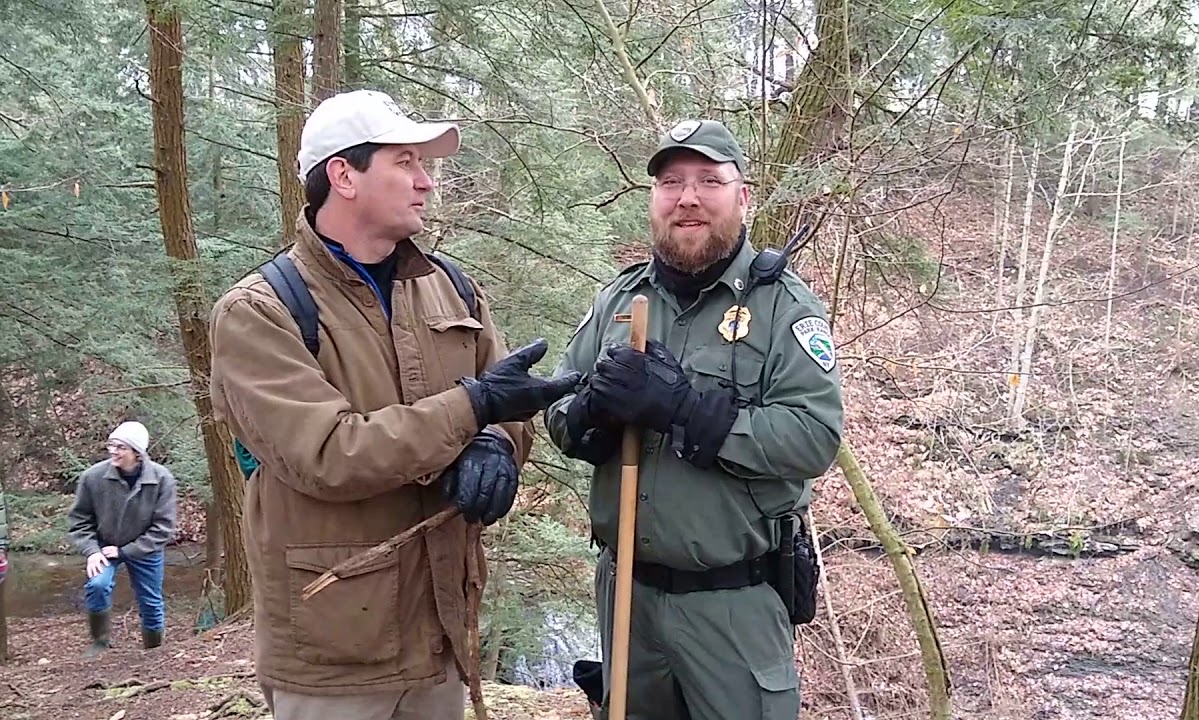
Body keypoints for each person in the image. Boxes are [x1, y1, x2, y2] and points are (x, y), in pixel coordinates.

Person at [207, 89, 581, 720]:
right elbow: (327, 454)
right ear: (342, 175)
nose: (425, 183)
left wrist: (497, 441)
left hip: (442, 633)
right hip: (335, 657)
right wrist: (474, 411)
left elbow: (507, 402)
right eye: (405, 162)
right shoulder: (257, 313)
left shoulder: (452, 288)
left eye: (424, 165)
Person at [544, 119, 844, 720]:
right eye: (671, 182)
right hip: (626, 595)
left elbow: (813, 437)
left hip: (732, 603)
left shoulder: (783, 305)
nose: (688, 197)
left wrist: (685, 409)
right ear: (654, 200)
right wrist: (592, 411)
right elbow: (560, 412)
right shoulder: (620, 301)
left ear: (743, 197)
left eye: (710, 180)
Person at [67, 420, 178, 656]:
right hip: (104, 546)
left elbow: (163, 527)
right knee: (97, 585)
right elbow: (79, 521)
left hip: (145, 548)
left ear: (137, 453)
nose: (113, 452)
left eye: (120, 447)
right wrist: (92, 551)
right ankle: (99, 641)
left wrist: (126, 550)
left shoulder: (162, 479)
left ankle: (154, 648)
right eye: (111, 445)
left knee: (150, 601)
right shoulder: (92, 477)